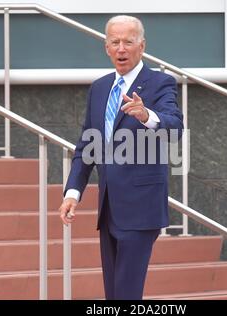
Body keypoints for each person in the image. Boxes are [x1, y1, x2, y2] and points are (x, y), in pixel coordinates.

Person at [59, 15, 183, 300]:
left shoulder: (159, 83)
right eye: (115, 42)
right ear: (106, 47)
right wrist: (73, 192)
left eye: (128, 41)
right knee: (114, 293)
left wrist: (147, 115)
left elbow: (175, 126)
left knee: (127, 292)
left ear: (142, 46)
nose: (121, 49)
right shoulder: (100, 87)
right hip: (109, 206)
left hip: (141, 207)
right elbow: (87, 144)